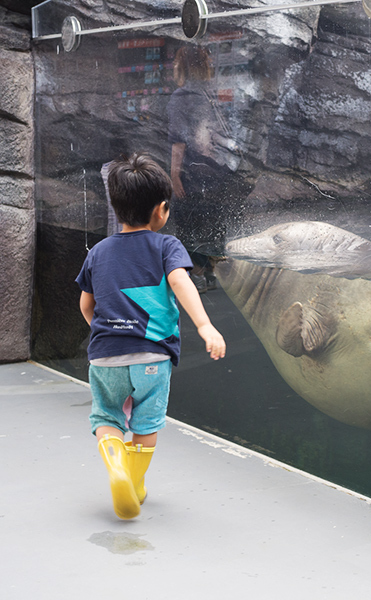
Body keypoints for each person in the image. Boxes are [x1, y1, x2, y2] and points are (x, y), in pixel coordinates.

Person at [76, 153, 226, 519]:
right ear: (162, 210)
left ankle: (115, 465)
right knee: (146, 423)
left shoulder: (97, 252)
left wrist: (106, 334)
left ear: (116, 205)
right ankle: (135, 481)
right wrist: (205, 325)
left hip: (105, 356)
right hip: (152, 360)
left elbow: (85, 305)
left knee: (107, 418)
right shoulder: (167, 246)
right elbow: (180, 281)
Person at [167, 44, 249, 293]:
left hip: (193, 173)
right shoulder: (207, 94)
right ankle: (215, 274)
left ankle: (199, 275)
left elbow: (179, 141)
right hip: (214, 172)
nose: (172, 66)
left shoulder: (181, 98)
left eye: (176, 61)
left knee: (189, 225)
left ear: (184, 66)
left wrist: (174, 176)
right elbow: (214, 133)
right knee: (213, 222)